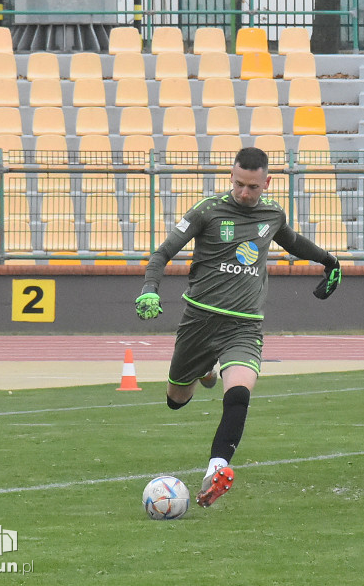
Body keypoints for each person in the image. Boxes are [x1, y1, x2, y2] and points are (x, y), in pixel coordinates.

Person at [135, 147, 342, 508]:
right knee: (175, 400)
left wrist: (329, 261)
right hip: (199, 320)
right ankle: (205, 369)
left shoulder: (273, 214)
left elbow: (292, 242)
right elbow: (161, 254)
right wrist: (150, 290)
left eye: (253, 187)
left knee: (240, 395)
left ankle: (217, 469)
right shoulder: (207, 211)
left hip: (244, 325)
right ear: (231, 178)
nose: (245, 194)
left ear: (267, 182)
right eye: (239, 185)